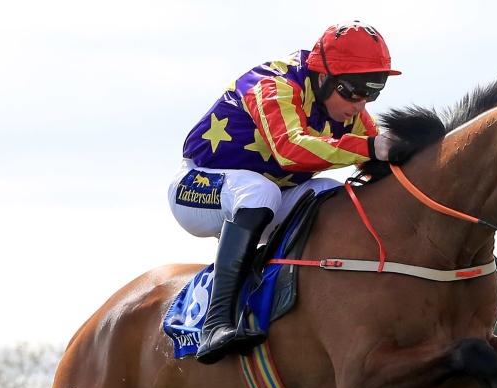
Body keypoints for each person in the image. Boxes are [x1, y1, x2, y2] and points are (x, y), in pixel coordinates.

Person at [169, 21, 400, 364]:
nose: (359, 105)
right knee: (259, 192)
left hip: (269, 195)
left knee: (329, 193)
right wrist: (370, 147)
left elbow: (378, 161)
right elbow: (289, 150)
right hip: (197, 186)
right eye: (352, 91)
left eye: (371, 93)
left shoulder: (351, 112)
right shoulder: (273, 85)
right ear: (324, 76)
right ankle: (216, 324)